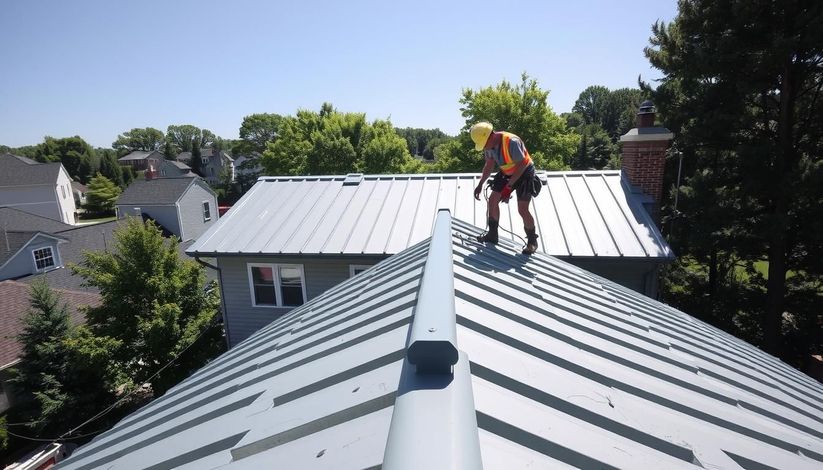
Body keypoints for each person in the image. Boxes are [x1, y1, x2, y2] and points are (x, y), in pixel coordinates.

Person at [470, 121, 540, 254]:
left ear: (490, 136)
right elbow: (489, 165)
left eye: (485, 144)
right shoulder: (489, 147)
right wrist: (480, 184)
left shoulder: (511, 142)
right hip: (507, 172)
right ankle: (492, 235)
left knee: (522, 209)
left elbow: (521, 165)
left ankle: (532, 242)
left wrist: (508, 187)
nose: (485, 147)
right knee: (492, 200)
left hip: (524, 172)